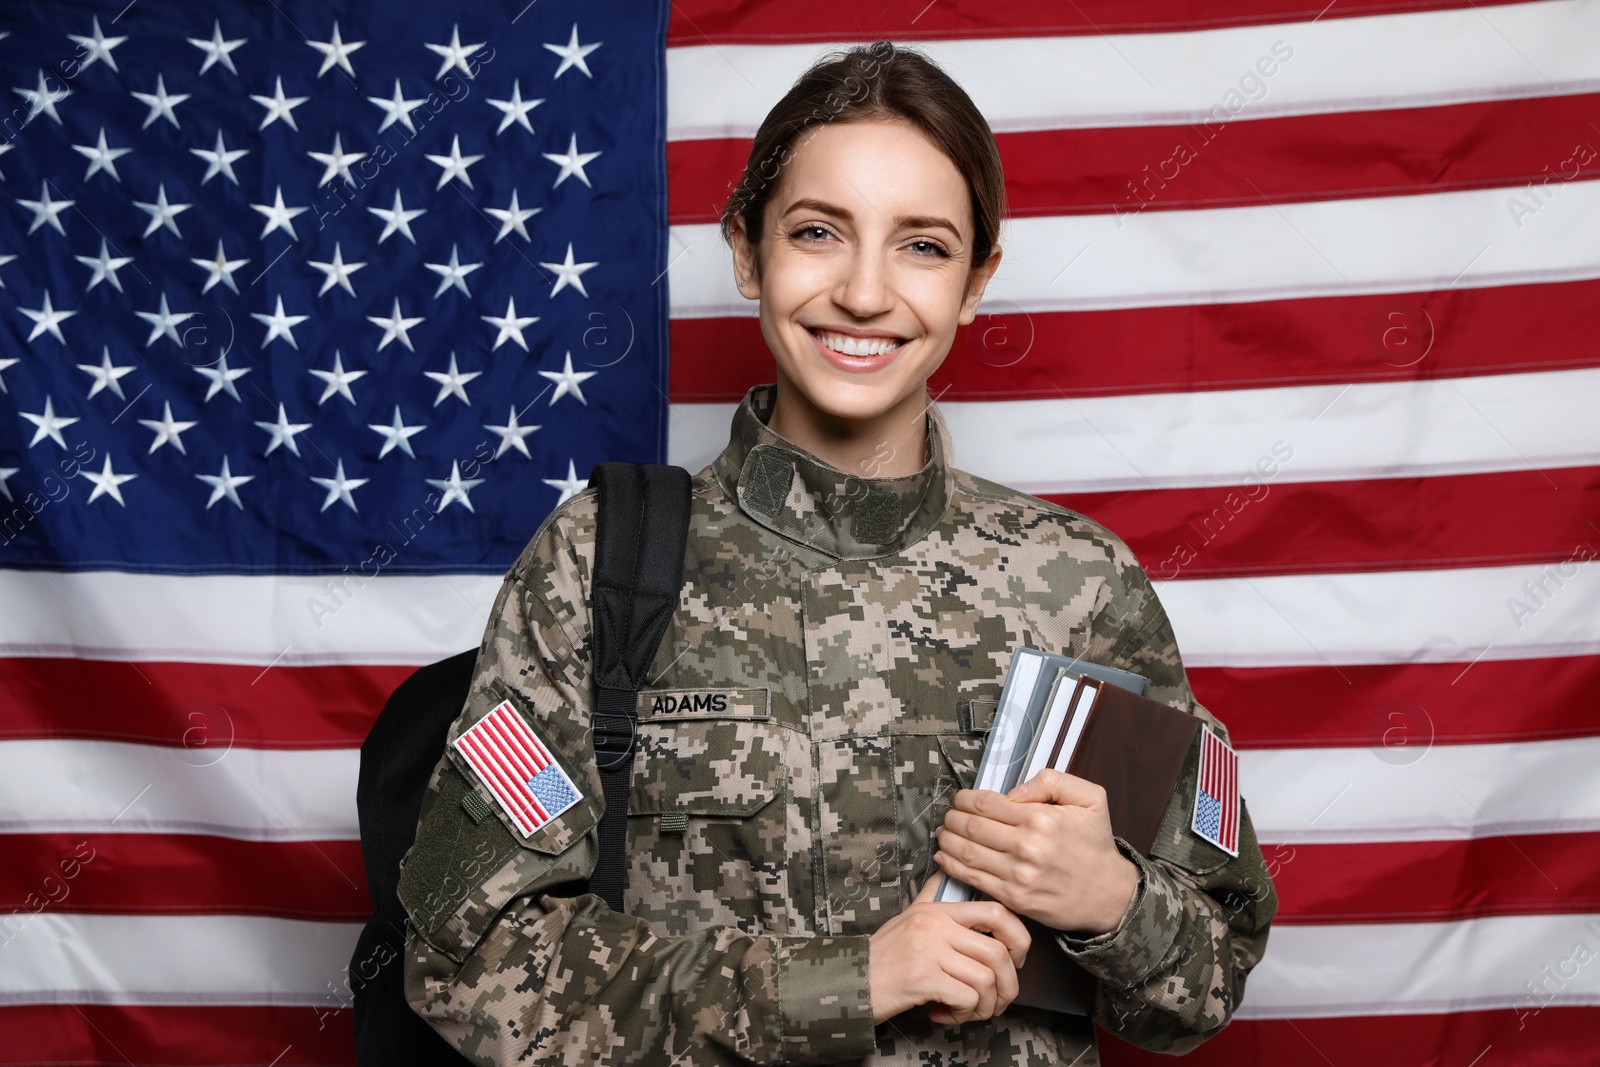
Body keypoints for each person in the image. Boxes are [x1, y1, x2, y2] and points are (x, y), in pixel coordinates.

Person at [400, 39, 1277, 1066]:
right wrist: (851, 978)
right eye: (818, 232)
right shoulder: (598, 565)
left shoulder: (1076, 584)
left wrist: (1111, 900)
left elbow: (1212, 973)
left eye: (922, 245)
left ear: (976, 280)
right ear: (746, 249)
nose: (864, 293)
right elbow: (467, 961)